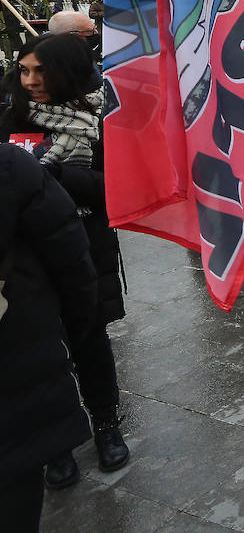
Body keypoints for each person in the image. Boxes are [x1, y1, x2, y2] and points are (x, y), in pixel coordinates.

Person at [0, 35, 131, 486]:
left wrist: (57, 175)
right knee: (39, 348)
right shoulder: (11, 117)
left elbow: (117, 186)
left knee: (90, 339)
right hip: (27, 258)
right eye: (24, 70)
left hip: (84, 246)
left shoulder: (101, 117)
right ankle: (55, 443)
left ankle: (106, 423)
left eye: (41, 71)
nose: (30, 81)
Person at [0, 144, 98, 533]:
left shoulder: (14, 167)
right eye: (23, 75)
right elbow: (76, 274)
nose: (31, 79)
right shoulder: (12, 163)